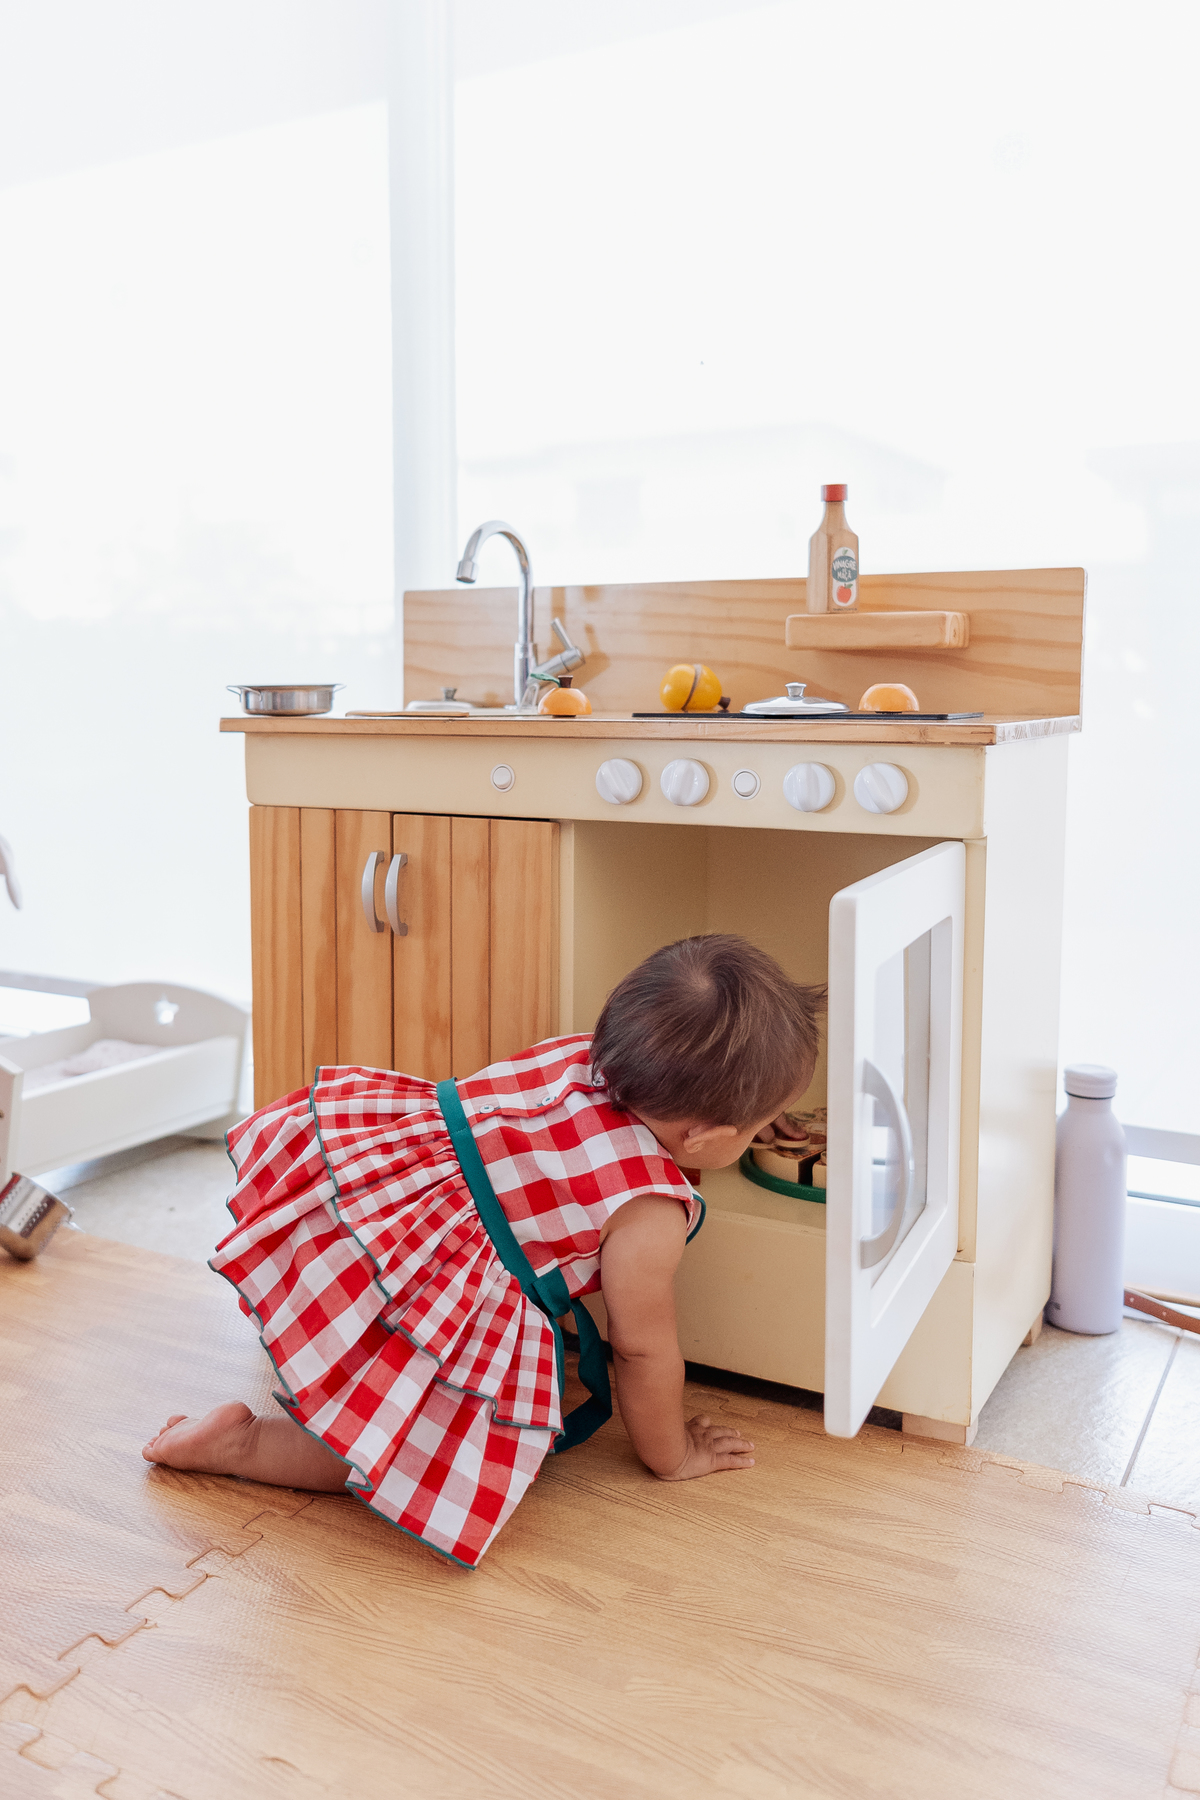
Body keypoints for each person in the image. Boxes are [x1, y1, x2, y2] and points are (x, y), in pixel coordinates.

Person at [143, 934, 825, 1568]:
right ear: (705, 1137)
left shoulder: (581, 1057)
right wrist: (672, 1455)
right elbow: (641, 1351)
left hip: (366, 1215)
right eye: (762, 1126)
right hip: (430, 1280)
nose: (768, 1134)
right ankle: (246, 1445)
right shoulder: (648, 1215)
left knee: (369, 1345)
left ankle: (316, 1354)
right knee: (390, 1446)